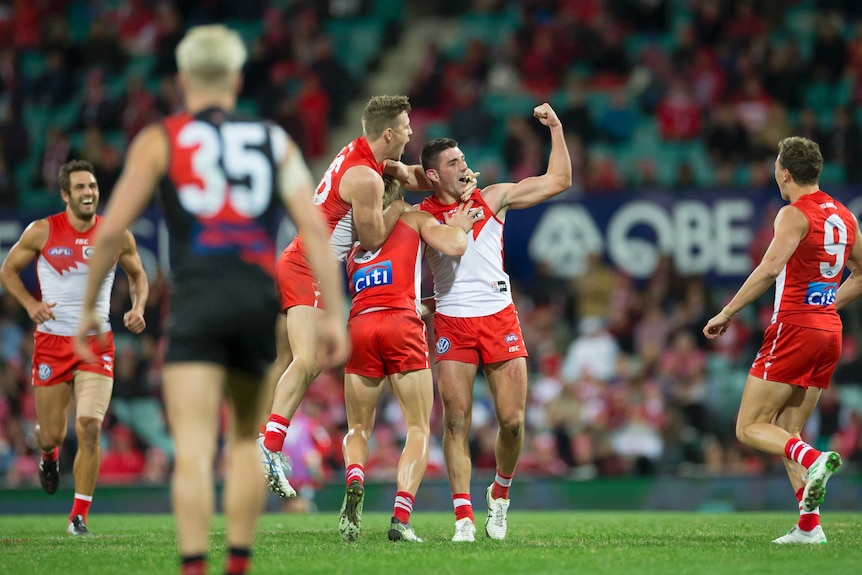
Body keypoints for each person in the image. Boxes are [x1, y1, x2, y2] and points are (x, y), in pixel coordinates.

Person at [74, 25, 347, 575]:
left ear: (181, 79)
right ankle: (239, 563)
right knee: (246, 441)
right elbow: (315, 232)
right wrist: (335, 313)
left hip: (196, 301)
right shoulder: (274, 140)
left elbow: (108, 233)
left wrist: (85, 308)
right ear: (237, 79)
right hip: (253, 298)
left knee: (195, 450)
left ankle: (196, 565)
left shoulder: (162, 138)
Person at [417, 103, 571, 542]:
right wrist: (423, 302)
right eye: (453, 163)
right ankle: (463, 518)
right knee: (455, 422)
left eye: (464, 160)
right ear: (433, 175)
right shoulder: (424, 215)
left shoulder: (495, 196)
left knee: (513, 422)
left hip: (498, 315)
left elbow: (559, 180)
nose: (465, 168)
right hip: (452, 322)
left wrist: (556, 128)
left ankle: (499, 496)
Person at [259, 94, 421, 498]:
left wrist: (442, 178)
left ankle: (261, 438)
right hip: (308, 267)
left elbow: (409, 173)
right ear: (388, 133)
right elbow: (371, 239)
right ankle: (268, 448)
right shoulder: (365, 178)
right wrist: (398, 209)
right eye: (405, 126)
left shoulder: (362, 154)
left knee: (284, 360)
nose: (411, 131)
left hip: (299, 260)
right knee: (308, 360)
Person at [703, 136, 862, 545]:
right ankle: (809, 527)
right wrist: (828, 303)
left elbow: (769, 269)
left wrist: (727, 312)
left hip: (794, 328)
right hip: (828, 332)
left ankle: (816, 459)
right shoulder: (844, 216)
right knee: (788, 429)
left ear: (785, 172)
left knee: (748, 427)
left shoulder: (794, 214)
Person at [0, 159, 148, 535]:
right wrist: (31, 305)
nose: (89, 193)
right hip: (51, 343)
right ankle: (48, 456)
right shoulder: (42, 231)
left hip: (97, 344)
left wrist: (138, 306)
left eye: (93, 186)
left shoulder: (115, 234)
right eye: (81, 187)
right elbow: (7, 270)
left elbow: (138, 275)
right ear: (65, 194)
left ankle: (78, 515)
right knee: (51, 434)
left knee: (88, 426)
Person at [339, 176, 482, 543]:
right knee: (418, 427)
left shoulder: (354, 252)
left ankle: (355, 474)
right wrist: (460, 227)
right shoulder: (412, 218)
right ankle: (400, 517)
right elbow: (454, 246)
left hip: (359, 324)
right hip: (401, 323)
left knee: (358, 427)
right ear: (398, 196)